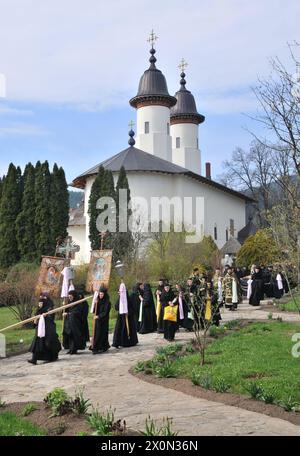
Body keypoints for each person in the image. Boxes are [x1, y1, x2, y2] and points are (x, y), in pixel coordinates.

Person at [28, 295, 61, 365]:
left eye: (41, 303)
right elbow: (35, 320)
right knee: (37, 343)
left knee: (48, 343)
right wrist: (35, 321)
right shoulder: (38, 310)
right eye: (39, 303)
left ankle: (52, 356)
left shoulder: (49, 310)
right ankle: (34, 359)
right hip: (39, 331)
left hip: (48, 330)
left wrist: (46, 316)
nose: (39, 305)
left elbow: (51, 319)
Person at [112, 282, 138, 348]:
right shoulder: (119, 299)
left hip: (128, 318)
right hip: (121, 317)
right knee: (119, 329)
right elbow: (116, 307)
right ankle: (117, 342)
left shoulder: (129, 299)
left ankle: (128, 342)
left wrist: (128, 312)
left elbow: (133, 308)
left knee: (128, 329)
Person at [62, 290, 89, 355]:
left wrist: (67, 314)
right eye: (69, 297)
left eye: (71, 296)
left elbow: (76, 313)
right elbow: (66, 310)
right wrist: (64, 306)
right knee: (70, 336)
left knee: (74, 336)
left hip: (76, 323)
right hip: (69, 323)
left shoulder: (78, 303)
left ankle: (74, 349)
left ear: (74, 296)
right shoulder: (69, 302)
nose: (70, 298)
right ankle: (71, 349)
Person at [91, 286, 111, 354]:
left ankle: (102, 347)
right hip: (98, 321)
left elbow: (105, 312)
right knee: (97, 334)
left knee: (102, 334)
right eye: (99, 294)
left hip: (104, 321)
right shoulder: (98, 301)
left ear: (104, 294)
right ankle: (95, 347)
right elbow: (94, 311)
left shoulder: (107, 302)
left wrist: (98, 316)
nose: (100, 295)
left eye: (102, 294)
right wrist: (95, 304)